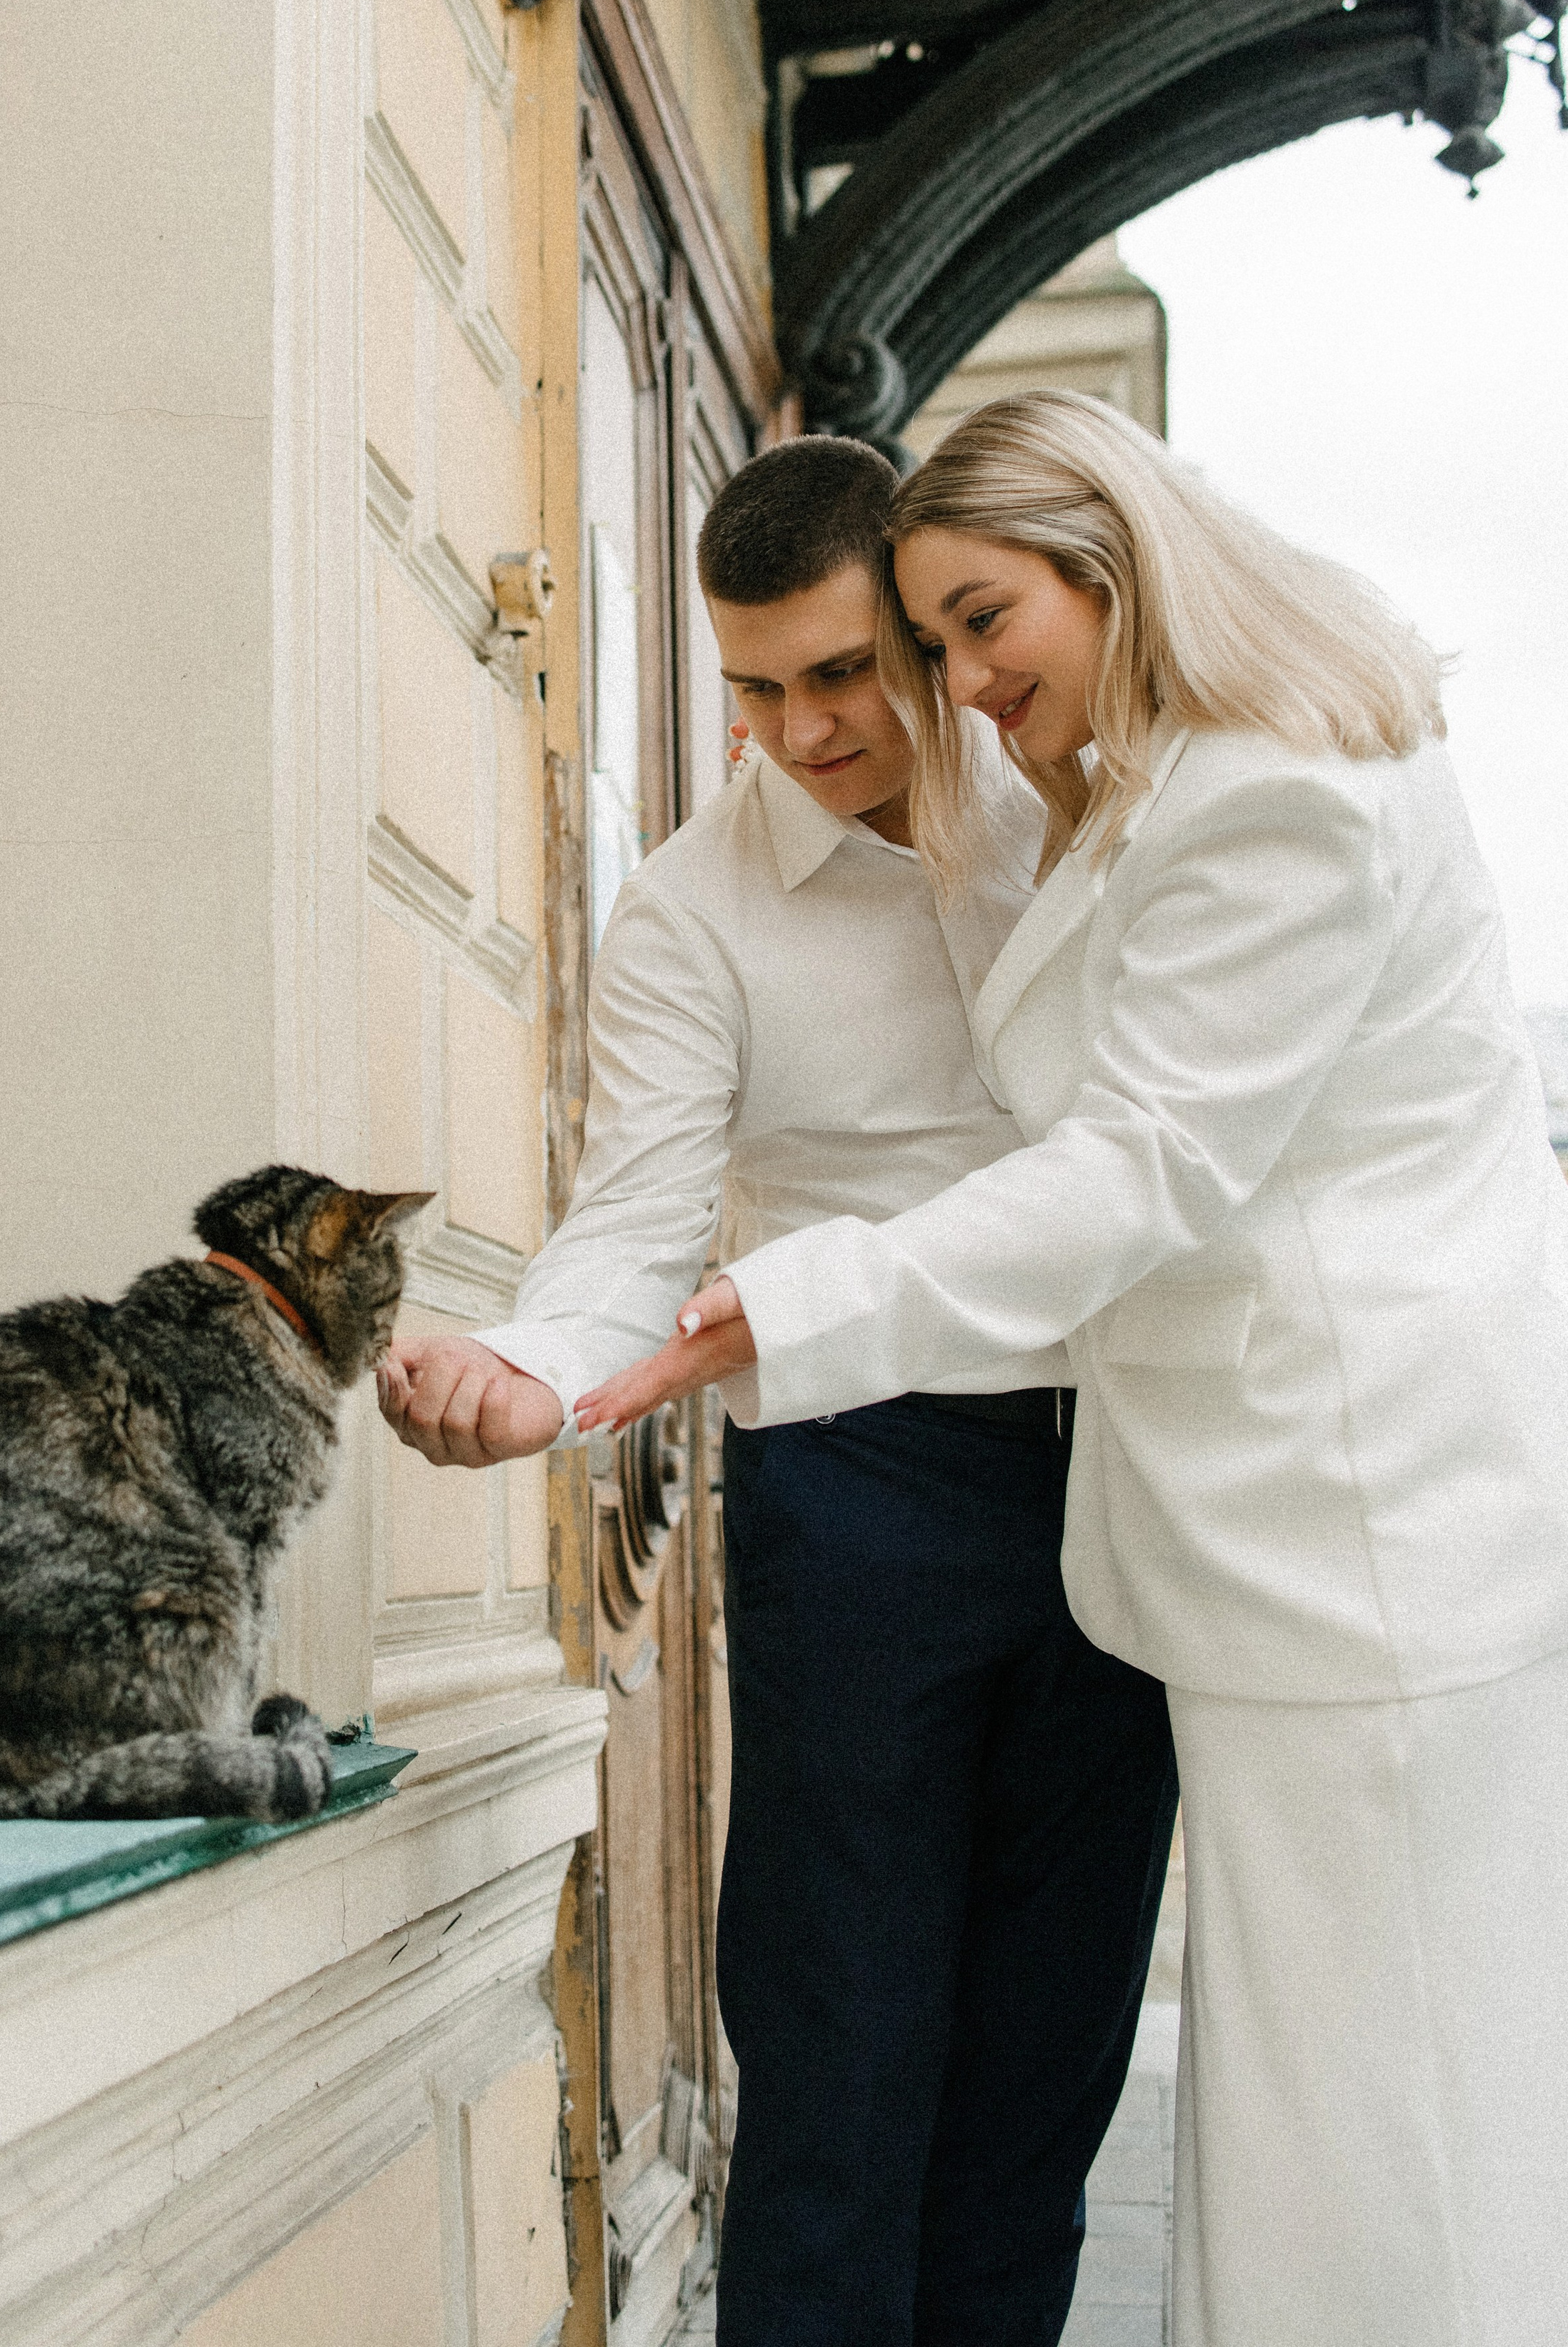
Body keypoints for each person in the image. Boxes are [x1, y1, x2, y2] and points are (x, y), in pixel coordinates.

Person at [576, 391, 1568, 2347]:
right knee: (1235, 2097)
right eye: (927, 639)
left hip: (1333, 1512)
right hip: (1064, 1510)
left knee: (1355, 2101)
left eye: (961, 629)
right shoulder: (1146, 777)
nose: (941, 685)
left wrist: (790, 1303)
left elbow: (1144, 1162)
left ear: (1110, 558)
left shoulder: (1228, 787)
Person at [379, 436, 1178, 2347]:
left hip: (1138, 1477)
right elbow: (636, 1223)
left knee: (1044, 2067)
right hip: (862, 1480)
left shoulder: (1082, 797)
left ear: (917, 630)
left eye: (841, 674)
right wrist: (534, 1372)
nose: (800, 728)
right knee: (842, 2056)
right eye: (755, 684)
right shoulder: (690, 907)